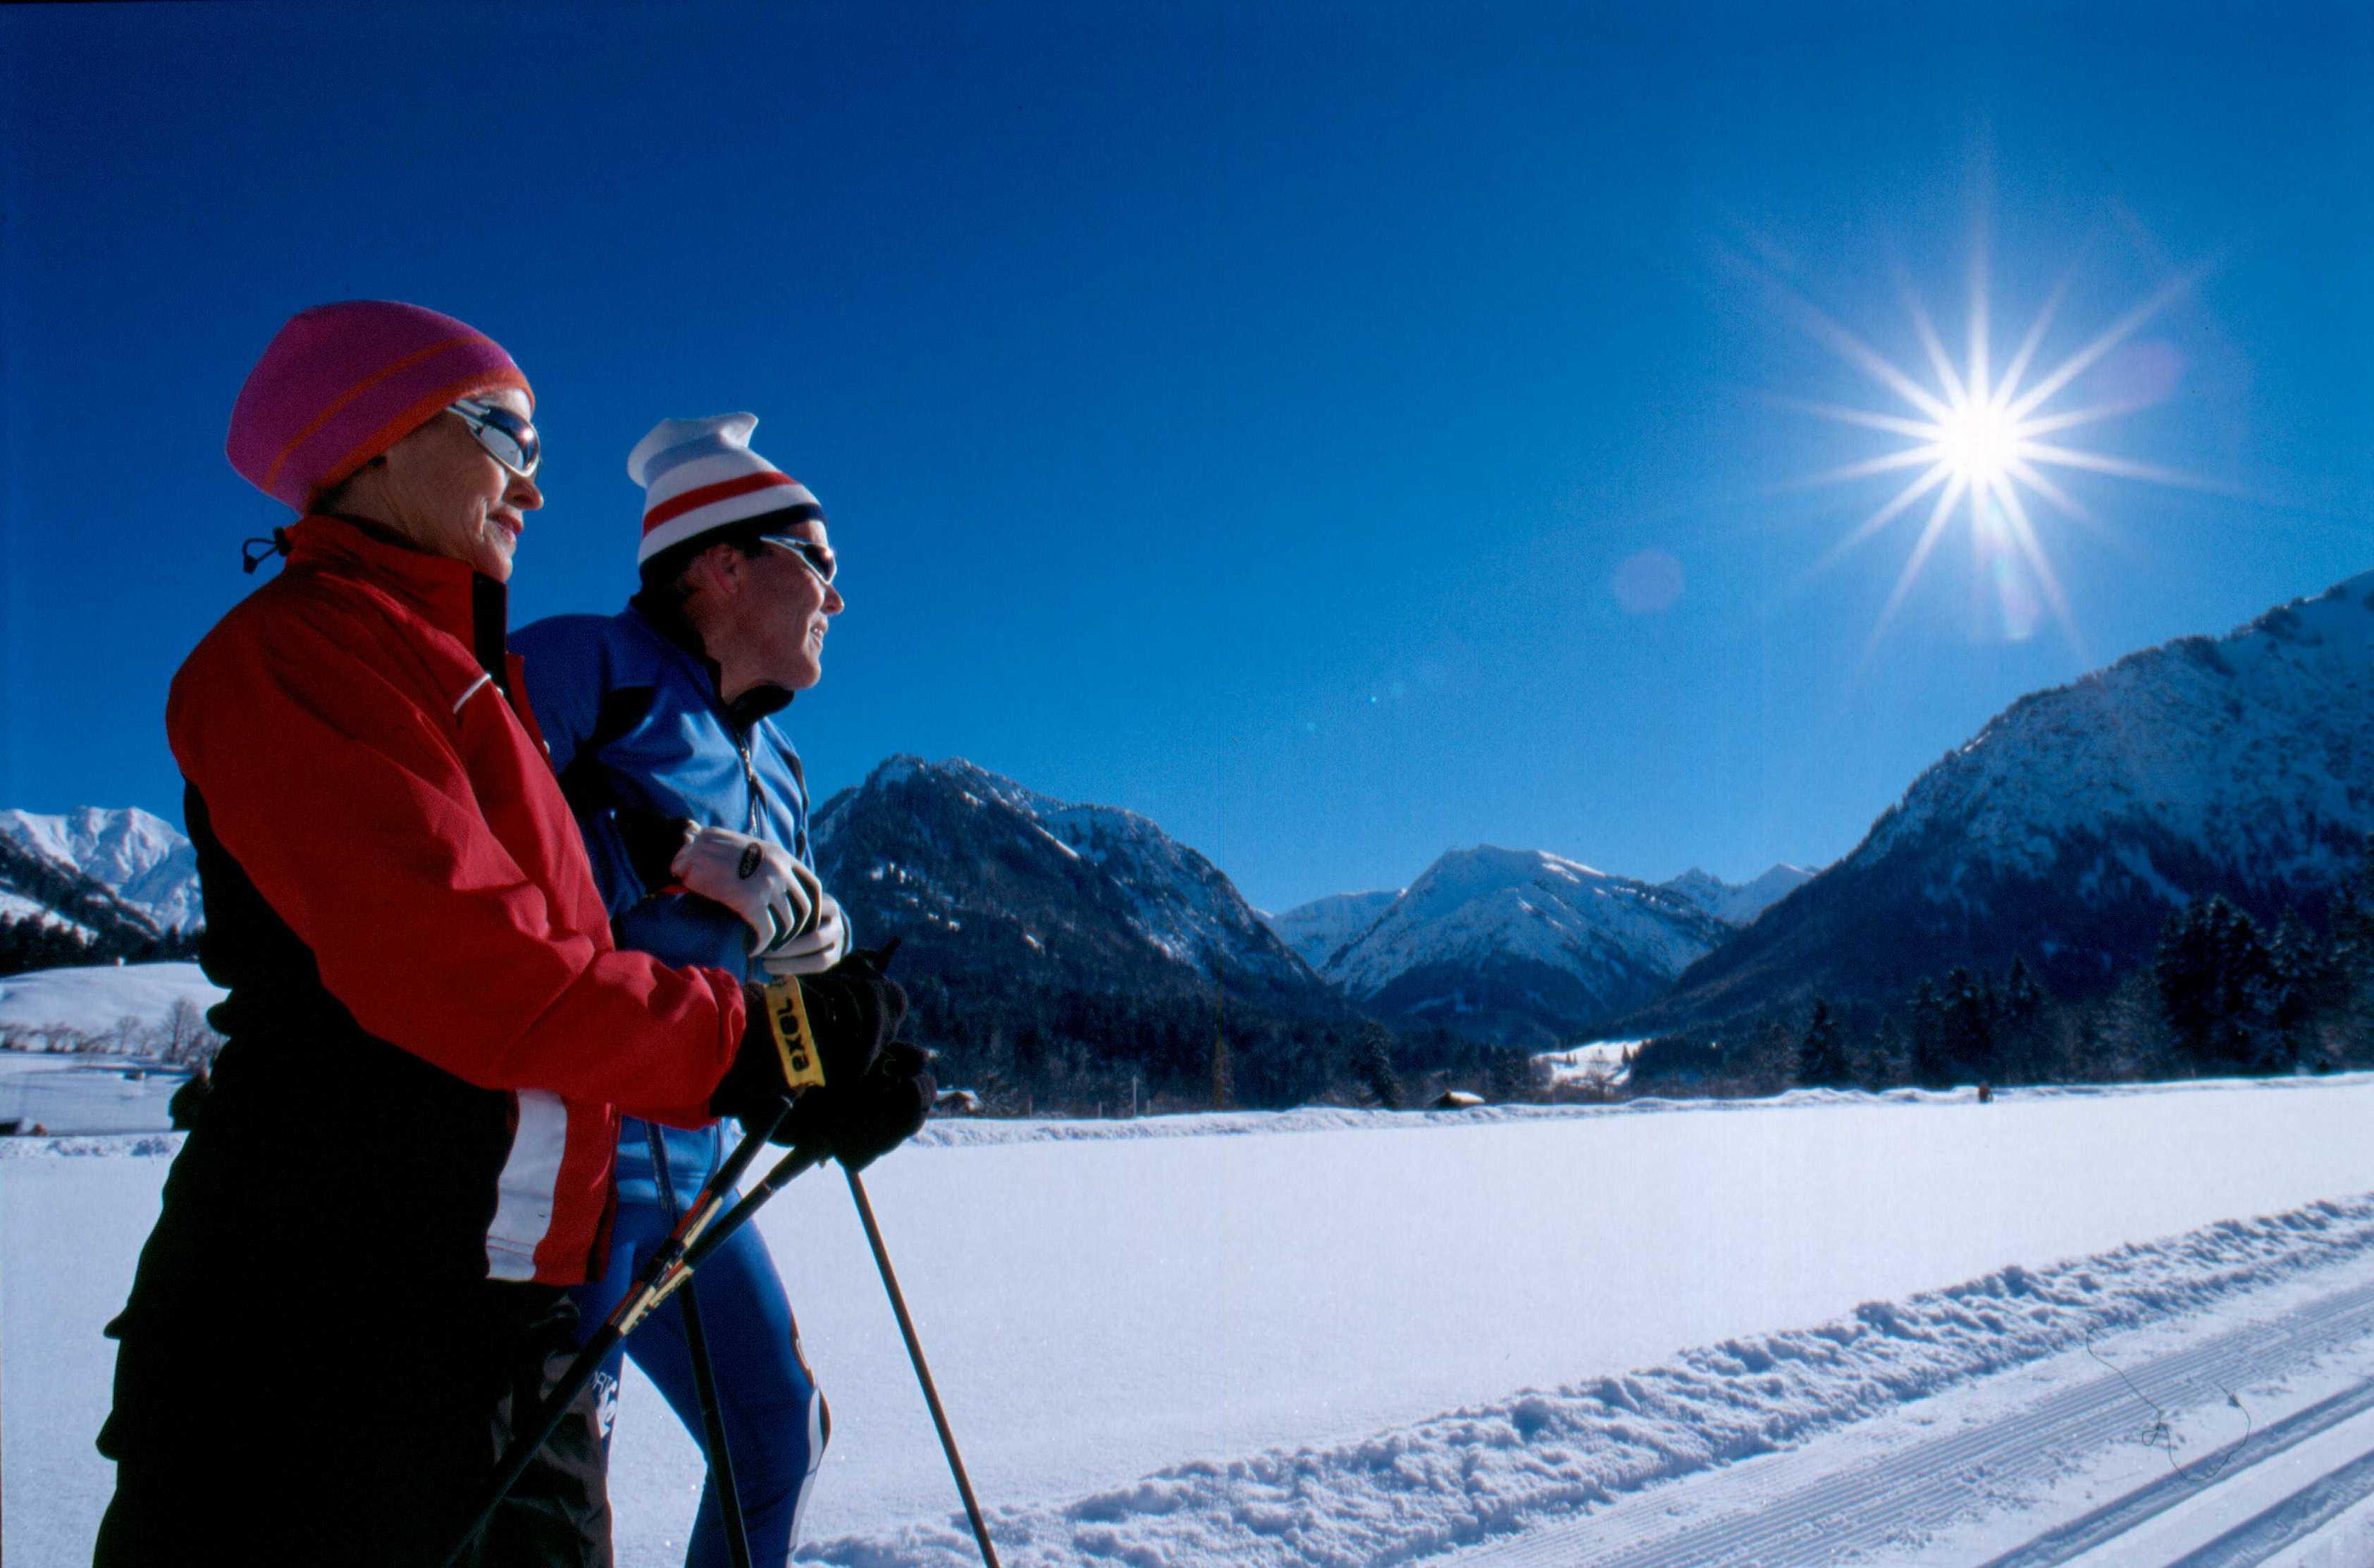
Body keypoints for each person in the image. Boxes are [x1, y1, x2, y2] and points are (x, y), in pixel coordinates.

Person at [92, 301, 932, 1568]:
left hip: (518, 1277)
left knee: (776, 1435)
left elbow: (577, 940)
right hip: (332, 1317)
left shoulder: (467, 680)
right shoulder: (315, 657)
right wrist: (759, 1034)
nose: (534, 490)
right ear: (370, 438)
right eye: (504, 437)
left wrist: (818, 1046)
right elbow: (475, 965)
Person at [512, 413, 858, 1566]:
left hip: (698, 1171)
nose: (838, 601)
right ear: (721, 560)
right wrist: (655, 849)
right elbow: (465, 856)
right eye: (821, 562)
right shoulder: (576, 667)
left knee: (780, 1437)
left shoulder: (785, 764)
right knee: (547, 1499)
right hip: (562, 1174)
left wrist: (825, 1021)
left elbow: (757, 983)